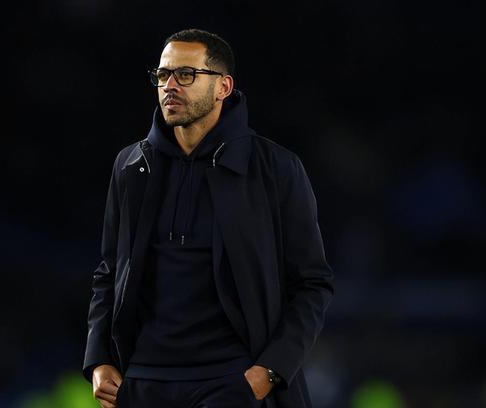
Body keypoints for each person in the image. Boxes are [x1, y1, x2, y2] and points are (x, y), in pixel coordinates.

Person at [83, 28, 334, 408]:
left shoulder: (274, 168)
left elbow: (312, 283)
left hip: (233, 382)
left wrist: (268, 372)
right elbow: (109, 271)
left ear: (223, 87)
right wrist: (99, 359)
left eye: (186, 74)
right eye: (163, 75)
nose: (170, 86)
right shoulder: (131, 165)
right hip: (143, 383)